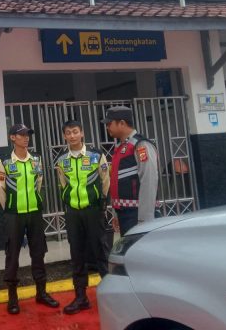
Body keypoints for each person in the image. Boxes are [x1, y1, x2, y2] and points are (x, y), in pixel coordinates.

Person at [0, 123, 60, 315]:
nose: (26, 138)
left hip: (34, 213)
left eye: (27, 134)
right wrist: (10, 208)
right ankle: (12, 298)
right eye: (21, 134)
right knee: (12, 255)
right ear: (12, 137)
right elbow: (0, 190)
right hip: (14, 214)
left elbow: (39, 183)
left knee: (38, 253)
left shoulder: (36, 160)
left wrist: (33, 203)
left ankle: (41, 293)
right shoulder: (4, 162)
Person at [55, 120, 110, 315]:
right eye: (68, 133)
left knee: (100, 250)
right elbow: (62, 183)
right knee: (77, 254)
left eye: (75, 132)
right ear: (64, 136)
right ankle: (81, 297)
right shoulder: (62, 160)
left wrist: (101, 202)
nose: (72, 136)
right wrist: (68, 200)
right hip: (73, 212)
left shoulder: (96, 155)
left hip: (93, 210)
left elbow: (105, 180)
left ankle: (111, 293)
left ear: (82, 133)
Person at [102, 106, 159, 235]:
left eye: (110, 123)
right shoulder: (121, 147)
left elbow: (149, 181)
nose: (107, 127)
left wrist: (145, 219)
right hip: (125, 214)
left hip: (137, 215)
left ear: (122, 123)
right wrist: (116, 213)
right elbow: (117, 182)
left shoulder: (141, 145)